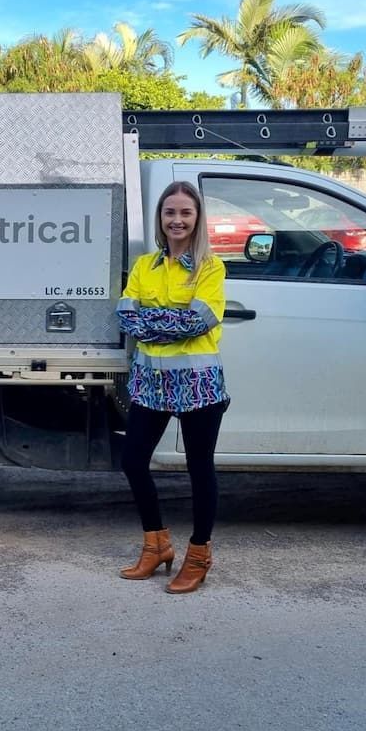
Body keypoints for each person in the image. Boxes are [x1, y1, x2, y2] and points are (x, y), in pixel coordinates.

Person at [116, 180, 230, 594]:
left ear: (197, 218)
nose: (177, 220)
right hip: (151, 383)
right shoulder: (145, 266)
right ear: (160, 219)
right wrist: (168, 322)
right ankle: (157, 545)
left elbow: (200, 321)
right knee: (132, 461)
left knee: (200, 469)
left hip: (198, 383)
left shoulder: (211, 267)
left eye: (185, 212)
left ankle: (199, 556)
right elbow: (126, 318)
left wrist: (154, 323)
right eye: (170, 212)